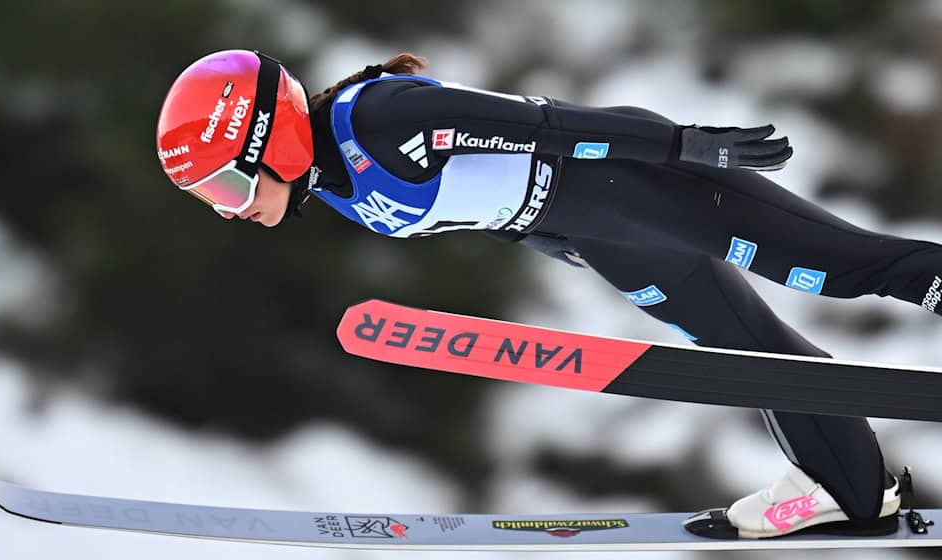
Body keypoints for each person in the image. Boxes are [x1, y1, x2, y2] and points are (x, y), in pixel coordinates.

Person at [156, 49, 942, 539]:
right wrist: (556, 242)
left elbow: (547, 126)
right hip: (600, 231)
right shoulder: (324, 182)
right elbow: (480, 204)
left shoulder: (385, 120)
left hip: (643, 182)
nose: (234, 209)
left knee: (847, 267)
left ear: (267, 137)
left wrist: (680, 146)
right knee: (745, 355)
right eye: (210, 200)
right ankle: (846, 486)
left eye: (227, 183)